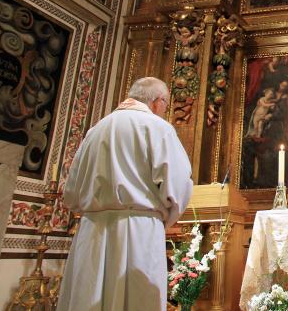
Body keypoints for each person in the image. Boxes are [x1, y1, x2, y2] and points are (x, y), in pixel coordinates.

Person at [58, 77, 193, 311]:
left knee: (90, 298)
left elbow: (71, 191)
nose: (164, 110)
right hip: (139, 229)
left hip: (93, 230)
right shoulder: (158, 128)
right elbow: (177, 185)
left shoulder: (96, 129)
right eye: (166, 104)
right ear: (156, 101)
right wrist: (164, 218)